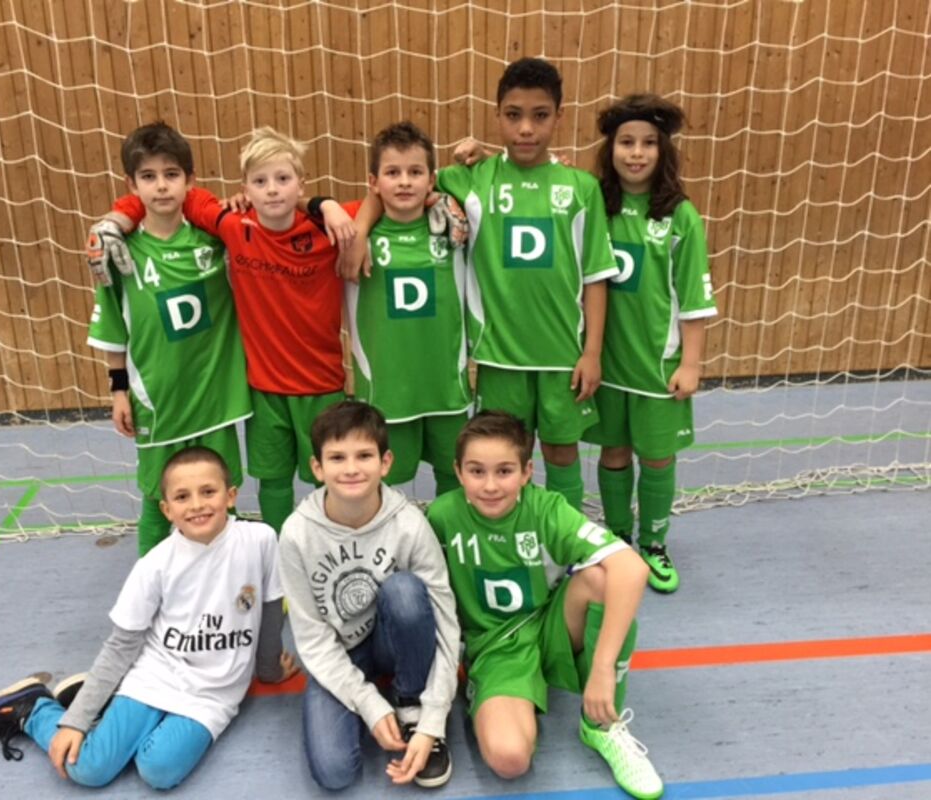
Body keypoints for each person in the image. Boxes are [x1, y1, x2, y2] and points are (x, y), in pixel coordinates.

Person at [0, 447, 297, 790]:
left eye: (208, 492)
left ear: (231, 495)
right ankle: (32, 709)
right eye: (182, 496)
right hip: (156, 676)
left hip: (213, 695)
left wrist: (268, 670)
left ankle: (105, 698)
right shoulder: (155, 565)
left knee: (158, 771)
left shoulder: (260, 540)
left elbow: (270, 609)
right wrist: (75, 722)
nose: (197, 505)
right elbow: (121, 645)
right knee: (88, 769)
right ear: (167, 509)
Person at [93, 126, 356, 535]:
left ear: (301, 183)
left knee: (321, 478)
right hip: (218, 393)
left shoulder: (311, 228)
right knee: (181, 490)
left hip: (277, 390)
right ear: (245, 189)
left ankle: (324, 545)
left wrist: (328, 205)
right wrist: (116, 217)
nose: (272, 189)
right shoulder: (223, 229)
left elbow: (387, 198)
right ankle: (265, 552)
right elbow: (174, 194)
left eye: (283, 179)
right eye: (260, 182)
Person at [427, 411, 664, 800]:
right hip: (497, 649)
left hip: (551, 624)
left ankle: (602, 725)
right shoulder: (443, 516)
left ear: (526, 472)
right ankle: (493, 691)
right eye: (477, 471)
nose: (490, 485)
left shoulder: (546, 509)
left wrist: (602, 669)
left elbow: (632, 568)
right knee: (510, 760)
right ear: (458, 472)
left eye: (504, 471)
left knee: (603, 579)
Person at [429, 57, 618, 512]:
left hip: (563, 355)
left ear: (559, 117)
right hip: (500, 356)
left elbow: (595, 277)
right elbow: (404, 182)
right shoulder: (472, 179)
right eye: (513, 115)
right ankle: (515, 532)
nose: (526, 128)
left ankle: (566, 538)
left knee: (561, 452)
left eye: (540, 115)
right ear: (497, 115)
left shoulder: (581, 188)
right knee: (505, 455)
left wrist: (592, 353)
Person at [84, 121, 251, 556]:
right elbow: (113, 330)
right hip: (157, 401)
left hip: (214, 399)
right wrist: (118, 391)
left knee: (221, 495)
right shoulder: (118, 253)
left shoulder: (216, 241)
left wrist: (237, 204)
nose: (161, 186)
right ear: (132, 185)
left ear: (189, 181)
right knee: (157, 502)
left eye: (171, 174)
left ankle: (227, 574)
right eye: (149, 176)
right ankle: (152, 582)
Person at [279, 400, 460, 790]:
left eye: (364, 455)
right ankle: (378, 698)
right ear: (316, 467)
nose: (351, 468)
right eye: (337, 457)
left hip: (391, 640)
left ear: (385, 462)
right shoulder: (296, 534)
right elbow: (311, 637)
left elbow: (445, 621)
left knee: (405, 591)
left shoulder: (409, 524)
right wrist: (369, 703)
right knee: (334, 773)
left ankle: (409, 702)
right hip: (339, 653)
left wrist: (433, 719)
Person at [582, 94, 718, 593]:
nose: (636, 153)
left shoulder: (680, 216)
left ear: (663, 151)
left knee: (657, 458)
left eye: (647, 144)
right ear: (610, 149)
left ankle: (654, 543)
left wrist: (691, 363)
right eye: (626, 142)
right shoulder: (595, 206)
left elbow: (693, 299)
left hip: (658, 369)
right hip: (606, 364)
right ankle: (618, 537)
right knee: (614, 452)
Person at [346, 121, 472, 497]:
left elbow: (504, 175)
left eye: (415, 172)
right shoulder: (354, 237)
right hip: (387, 390)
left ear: (432, 180)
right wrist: (356, 228)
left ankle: (448, 533)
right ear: (373, 182)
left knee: (454, 474)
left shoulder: (456, 230)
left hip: (446, 385)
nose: (404, 182)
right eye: (393, 173)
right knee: (387, 483)